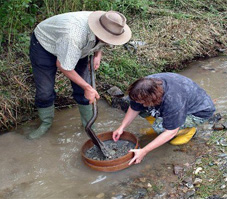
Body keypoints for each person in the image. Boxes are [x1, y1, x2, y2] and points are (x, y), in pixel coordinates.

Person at [28, 10, 132, 139]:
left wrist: (97, 54)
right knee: (45, 91)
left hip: (78, 48)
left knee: (84, 91)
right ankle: (46, 123)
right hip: (45, 45)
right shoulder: (73, 36)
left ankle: (89, 125)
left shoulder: (110, 22)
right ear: (99, 30)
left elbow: (102, 40)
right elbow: (63, 66)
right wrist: (88, 87)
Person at [112, 73, 215, 165]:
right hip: (180, 99)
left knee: (160, 128)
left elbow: (170, 131)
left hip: (199, 112)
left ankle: (188, 131)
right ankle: (165, 124)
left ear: (154, 98)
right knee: (142, 110)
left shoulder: (173, 101)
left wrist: (144, 150)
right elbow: (134, 107)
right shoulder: (143, 86)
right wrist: (122, 127)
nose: (139, 103)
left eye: (143, 102)